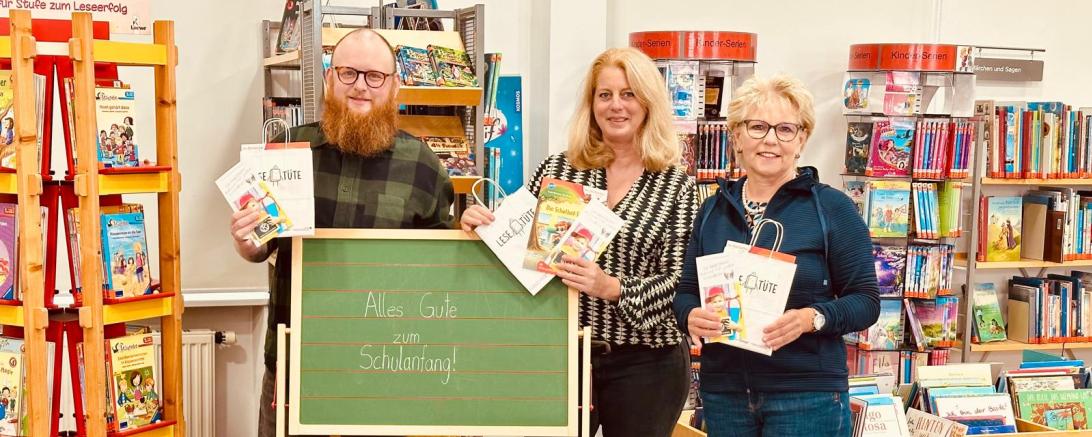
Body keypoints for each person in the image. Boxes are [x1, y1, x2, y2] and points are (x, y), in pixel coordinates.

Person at [228, 29, 454, 437]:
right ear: (330, 80)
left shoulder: (424, 168)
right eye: (348, 73)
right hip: (295, 366)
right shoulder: (288, 152)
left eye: (374, 76)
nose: (360, 86)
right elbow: (259, 249)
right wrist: (246, 240)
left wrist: (472, 235)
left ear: (394, 86)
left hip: (390, 372)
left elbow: (442, 272)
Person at [461, 47, 697, 437]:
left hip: (647, 363)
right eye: (605, 95)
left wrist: (612, 287)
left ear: (649, 103)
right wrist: (480, 227)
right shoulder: (559, 169)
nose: (616, 106)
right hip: (563, 355)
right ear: (591, 104)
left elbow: (681, 285)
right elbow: (518, 247)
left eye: (629, 94)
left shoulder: (677, 187)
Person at [674, 74, 880, 437]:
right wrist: (691, 316)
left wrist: (811, 318)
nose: (770, 139)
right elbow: (687, 291)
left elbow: (866, 301)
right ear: (736, 136)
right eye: (757, 127)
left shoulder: (832, 208)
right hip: (726, 394)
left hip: (806, 396)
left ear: (801, 140)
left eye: (785, 129)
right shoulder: (712, 210)